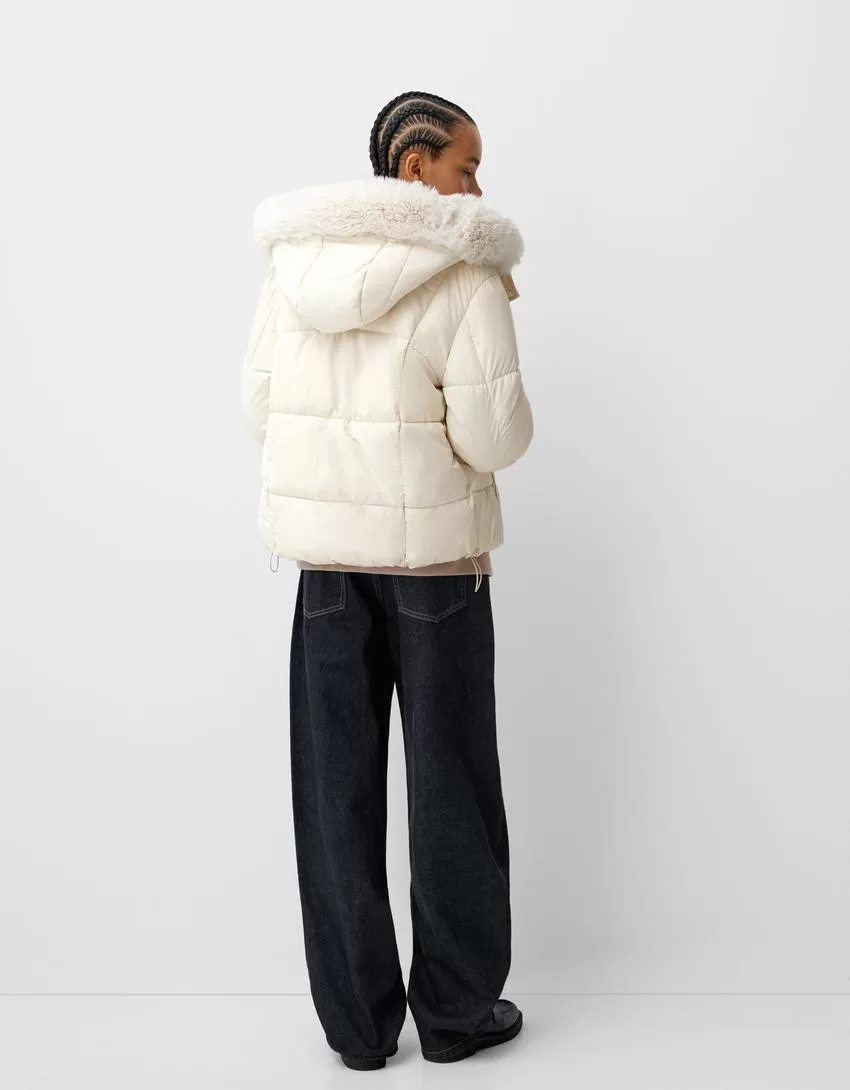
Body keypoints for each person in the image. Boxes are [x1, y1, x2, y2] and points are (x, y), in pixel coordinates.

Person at [242, 90, 533, 1070]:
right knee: (452, 784)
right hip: (435, 568)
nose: (476, 189)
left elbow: (257, 410)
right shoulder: (465, 270)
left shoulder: (293, 266)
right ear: (415, 167)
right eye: (465, 166)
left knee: (334, 793)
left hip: (326, 564)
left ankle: (358, 1028)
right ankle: (455, 1013)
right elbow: (495, 437)